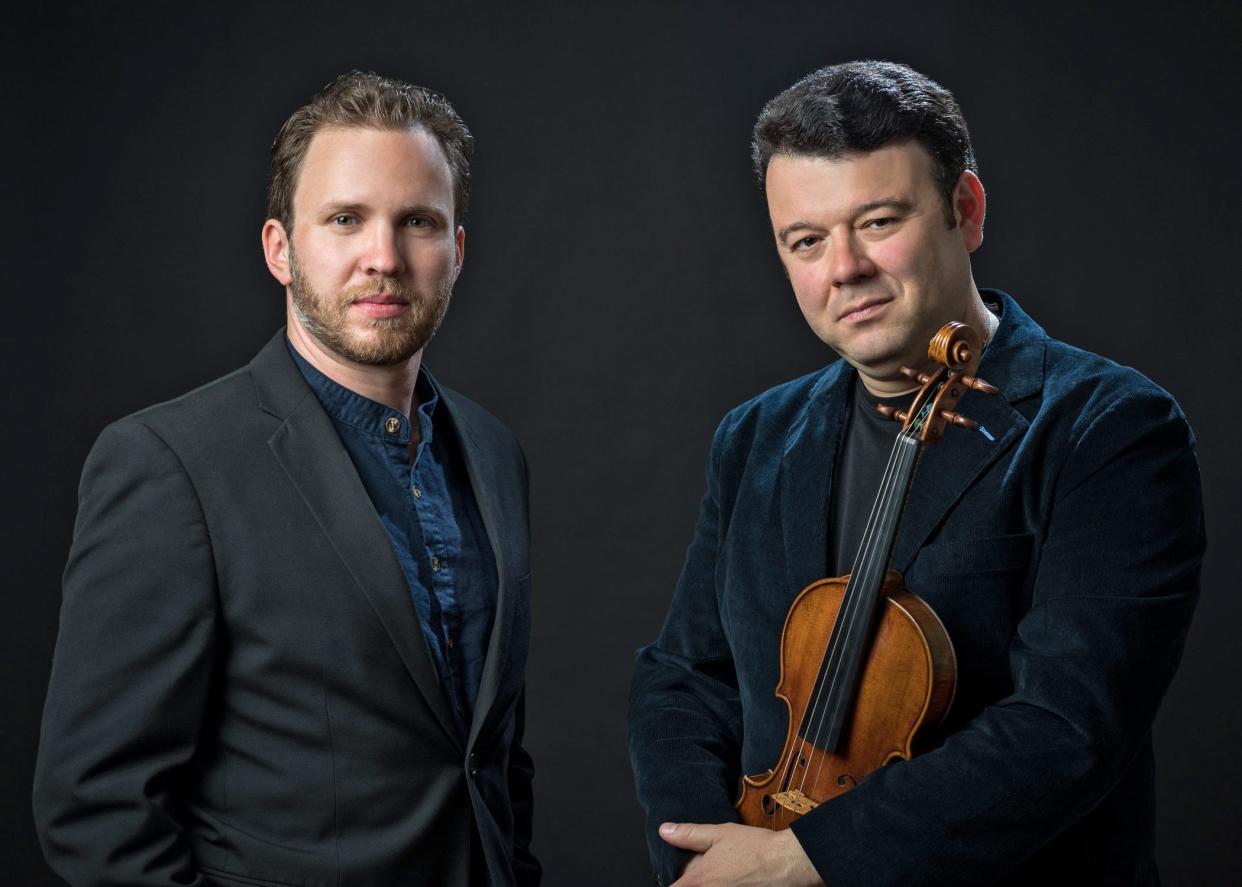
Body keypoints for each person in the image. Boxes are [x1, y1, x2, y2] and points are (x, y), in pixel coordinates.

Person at [628, 60, 1204, 886]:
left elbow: (1067, 727)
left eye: (879, 221)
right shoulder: (755, 436)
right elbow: (683, 675)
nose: (845, 268)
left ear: (964, 212)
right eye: (806, 240)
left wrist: (806, 861)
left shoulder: (1109, 429)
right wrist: (704, 859)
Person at [34, 71, 539, 887]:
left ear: (457, 250)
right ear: (280, 248)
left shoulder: (491, 453)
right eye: (346, 219)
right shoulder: (169, 464)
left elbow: (491, 753)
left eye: (417, 222)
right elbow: (96, 809)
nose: (384, 257)